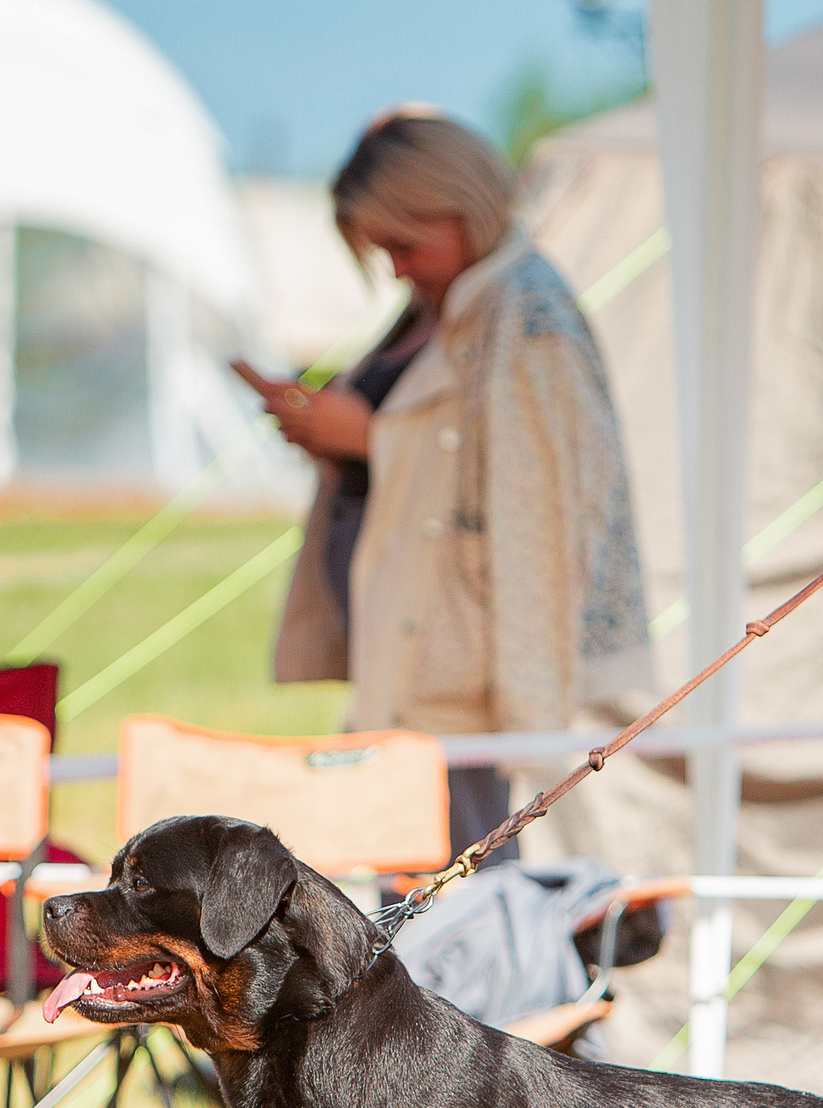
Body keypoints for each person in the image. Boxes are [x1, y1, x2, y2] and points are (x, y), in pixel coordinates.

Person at [263, 108, 652, 860]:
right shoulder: (446, 307)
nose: (398, 268)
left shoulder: (526, 312)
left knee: (458, 886)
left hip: (457, 674)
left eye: (405, 245)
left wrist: (366, 437)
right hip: (408, 659)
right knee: (408, 882)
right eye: (384, 253)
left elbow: (532, 493)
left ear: (462, 207)